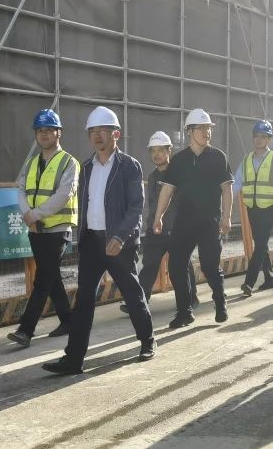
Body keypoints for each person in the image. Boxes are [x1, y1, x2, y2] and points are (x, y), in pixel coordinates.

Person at [42, 106, 155, 374]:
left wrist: (121, 236)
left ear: (116, 134)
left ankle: (147, 341)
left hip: (118, 243)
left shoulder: (129, 166)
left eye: (103, 130)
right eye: (92, 131)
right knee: (83, 301)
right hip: (92, 242)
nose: (97, 135)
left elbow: (136, 208)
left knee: (132, 294)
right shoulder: (86, 168)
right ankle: (73, 359)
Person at [154, 108, 233, 328]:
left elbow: (227, 189)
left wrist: (227, 217)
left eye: (209, 128)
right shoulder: (178, 161)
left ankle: (220, 302)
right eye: (201, 128)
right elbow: (167, 190)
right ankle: (184, 312)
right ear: (189, 131)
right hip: (184, 223)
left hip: (209, 222)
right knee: (176, 266)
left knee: (209, 266)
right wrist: (158, 217)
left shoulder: (218, 157)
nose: (207, 132)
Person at [7, 109, 79, 348]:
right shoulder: (31, 163)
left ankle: (26, 330)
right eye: (40, 130)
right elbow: (20, 189)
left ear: (59, 133)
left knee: (42, 279)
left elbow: (63, 194)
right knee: (51, 276)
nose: (44, 134)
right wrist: (27, 215)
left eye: (49, 130)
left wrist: (34, 215)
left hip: (57, 229)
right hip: (35, 229)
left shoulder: (69, 162)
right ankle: (68, 321)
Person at [119, 131, 198, 314]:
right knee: (149, 264)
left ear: (169, 151)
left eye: (161, 150)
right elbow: (153, 204)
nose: (157, 155)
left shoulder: (179, 174)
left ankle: (190, 299)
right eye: (153, 151)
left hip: (178, 230)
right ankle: (140, 301)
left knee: (182, 265)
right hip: (156, 230)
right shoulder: (153, 176)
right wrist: (151, 225)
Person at [234, 120, 273, 296]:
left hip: (269, 207)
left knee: (260, 245)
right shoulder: (246, 160)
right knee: (261, 244)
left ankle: (248, 282)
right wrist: (224, 203)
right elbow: (237, 183)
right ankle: (269, 279)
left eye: (263, 136)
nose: (259, 139)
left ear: (269, 139)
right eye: (256, 136)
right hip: (252, 207)